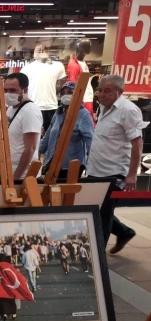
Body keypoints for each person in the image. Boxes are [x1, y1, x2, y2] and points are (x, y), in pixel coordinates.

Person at [86, 75, 149, 253]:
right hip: (96, 170)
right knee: (97, 209)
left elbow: (137, 143)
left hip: (113, 172)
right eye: (100, 90)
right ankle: (124, 232)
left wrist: (131, 174)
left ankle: (98, 258)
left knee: (102, 215)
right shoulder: (103, 108)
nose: (101, 94)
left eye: (107, 90)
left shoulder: (128, 110)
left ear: (119, 92)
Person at [39, 82, 94, 180]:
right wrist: (39, 152)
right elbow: (48, 135)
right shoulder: (58, 113)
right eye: (63, 93)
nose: (65, 95)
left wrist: (92, 163)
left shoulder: (83, 115)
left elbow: (90, 141)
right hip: (52, 161)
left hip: (70, 164)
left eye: (69, 92)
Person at [4, 72, 43, 180]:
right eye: (5, 90)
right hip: (8, 170)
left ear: (24, 90)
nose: (8, 94)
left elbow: (30, 148)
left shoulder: (30, 112)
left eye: (12, 90)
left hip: (23, 176)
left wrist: (16, 177)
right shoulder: (11, 108)